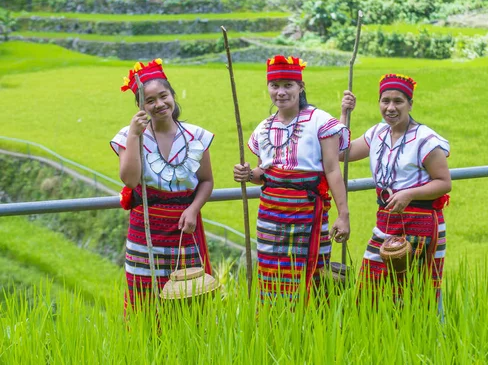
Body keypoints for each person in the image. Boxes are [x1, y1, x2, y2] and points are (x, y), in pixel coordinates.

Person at [233, 55, 351, 302]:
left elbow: (332, 170)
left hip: (308, 212)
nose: (281, 92)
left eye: (288, 85)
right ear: (268, 88)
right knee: (271, 274)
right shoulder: (264, 128)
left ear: (301, 86)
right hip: (270, 214)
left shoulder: (320, 121)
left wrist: (343, 214)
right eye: (275, 86)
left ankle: (309, 330)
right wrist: (247, 174)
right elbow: (262, 173)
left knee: (311, 274)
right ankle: (275, 327)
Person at [110, 58, 214, 311]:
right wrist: (135, 135)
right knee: (143, 299)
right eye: (150, 100)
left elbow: (206, 181)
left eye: (163, 96)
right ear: (140, 106)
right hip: (145, 228)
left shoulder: (196, 136)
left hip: (184, 228)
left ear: (173, 95)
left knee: (189, 299)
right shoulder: (128, 136)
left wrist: (193, 209)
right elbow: (130, 180)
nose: (159, 104)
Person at [340, 74, 451, 305]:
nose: (391, 107)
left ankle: (419, 338)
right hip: (386, 221)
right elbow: (342, 153)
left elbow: (443, 182)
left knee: (414, 294)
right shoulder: (377, 133)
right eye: (385, 101)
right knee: (369, 291)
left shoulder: (425, 140)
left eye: (398, 101)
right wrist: (344, 114)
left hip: (420, 224)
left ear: (410, 104)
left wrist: (409, 193)